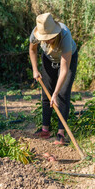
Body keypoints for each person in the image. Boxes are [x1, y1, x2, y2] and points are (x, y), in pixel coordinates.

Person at [29, 12, 78, 145]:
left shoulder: (65, 36)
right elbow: (32, 50)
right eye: (43, 38)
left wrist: (55, 93)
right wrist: (35, 69)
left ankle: (60, 134)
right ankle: (45, 130)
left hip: (67, 61)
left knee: (62, 94)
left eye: (48, 38)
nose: (44, 41)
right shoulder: (35, 33)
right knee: (46, 94)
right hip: (48, 59)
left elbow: (64, 69)